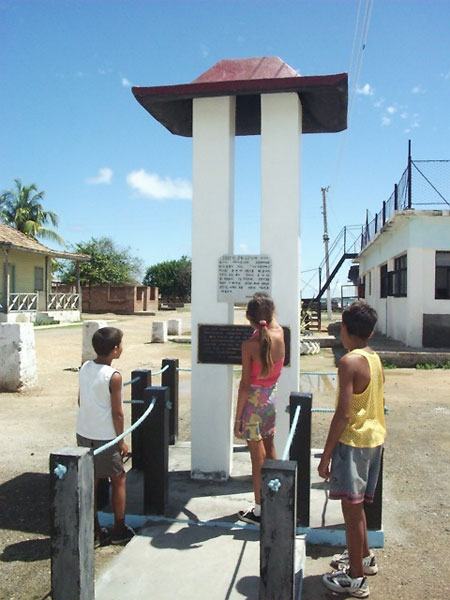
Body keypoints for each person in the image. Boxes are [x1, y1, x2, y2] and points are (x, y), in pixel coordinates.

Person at [318, 301, 386, 598]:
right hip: (374, 439)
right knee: (359, 507)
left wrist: (325, 455)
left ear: (344, 329)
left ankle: (356, 578)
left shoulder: (348, 362)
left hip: (354, 442)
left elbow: (343, 414)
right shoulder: (374, 358)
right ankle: (365, 557)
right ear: (371, 332)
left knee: (350, 510)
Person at [76, 326, 135, 547]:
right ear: (115, 349)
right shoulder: (114, 376)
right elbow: (117, 413)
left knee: (91, 480)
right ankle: (119, 527)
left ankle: (94, 528)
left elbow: (81, 399)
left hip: (84, 430)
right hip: (105, 436)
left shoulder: (85, 367)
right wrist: (121, 439)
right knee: (118, 478)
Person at [234, 293, 285, 526]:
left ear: (249, 318)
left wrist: (238, 419)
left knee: (257, 459)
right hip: (271, 399)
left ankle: (259, 510)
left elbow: (245, 384)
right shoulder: (280, 334)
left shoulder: (249, 345)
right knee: (270, 449)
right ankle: (276, 501)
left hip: (253, 403)